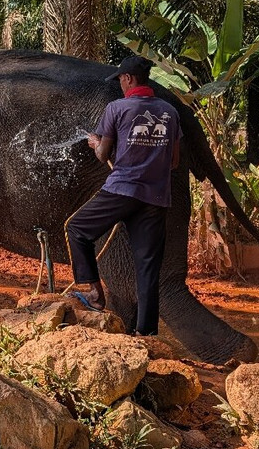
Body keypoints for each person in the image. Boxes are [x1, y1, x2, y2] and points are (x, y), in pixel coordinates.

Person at [65, 55, 181, 336]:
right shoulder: (169, 112)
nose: (119, 84)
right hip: (156, 197)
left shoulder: (117, 108)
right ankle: (146, 333)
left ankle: (94, 294)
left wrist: (95, 142)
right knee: (147, 268)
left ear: (128, 79)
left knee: (77, 228)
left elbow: (103, 155)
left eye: (120, 79)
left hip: (121, 190)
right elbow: (174, 162)